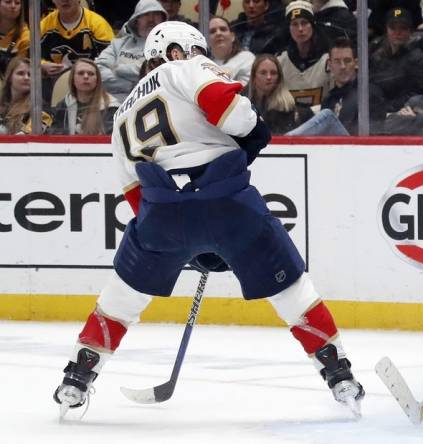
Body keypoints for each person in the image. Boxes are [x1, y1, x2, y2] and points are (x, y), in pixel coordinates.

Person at [52, 21, 364, 418]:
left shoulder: (123, 113)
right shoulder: (183, 68)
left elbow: (135, 195)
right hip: (227, 203)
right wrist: (251, 133)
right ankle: (338, 374)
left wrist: (184, 240)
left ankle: (77, 378)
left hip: (161, 215)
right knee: (292, 290)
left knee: (122, 296)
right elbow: (232, 110)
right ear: (179, 51)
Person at [288, 37, 385, 135]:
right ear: (330, 65)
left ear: (356, 63)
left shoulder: (369, 93)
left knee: (327, 115)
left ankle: (286, 142)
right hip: (332, 148)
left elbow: (375, 133)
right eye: (337, 61)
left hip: (357, 148)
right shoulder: (329, 99)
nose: (342, 66)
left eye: (347, 61)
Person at [96, 0, 167, 102]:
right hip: (113, 104)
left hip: (151, 103)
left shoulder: (168, 47)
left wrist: (120, 69)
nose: (151, 19)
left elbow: (158, 76)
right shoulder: (118, 44)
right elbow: (98, 71)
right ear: (136, 20)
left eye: (156, 14)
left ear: (162, 20)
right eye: (146, 14)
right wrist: (129, 85)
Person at [369, 7, 423, 113]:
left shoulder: (419, 58)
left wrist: (386, 109)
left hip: (404, 112)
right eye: (393, 28)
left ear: (410, 31)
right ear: (386, 30)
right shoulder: (376, 55)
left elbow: (416, 94)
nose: (398, 32)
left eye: (403, 28)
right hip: (376, 111)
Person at [277, 0, 331, 107]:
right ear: (288, 28)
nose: (300, 29)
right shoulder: (280, 62)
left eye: (304, 23)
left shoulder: (328, 60)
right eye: (294, 24)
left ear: (312, 25)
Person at [245, 54, 314, 134]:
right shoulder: (243, 103)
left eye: (273, 73)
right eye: (263, 73)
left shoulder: (288, 108)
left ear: (279, 78)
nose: (269, 77)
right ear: (254, 78)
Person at [51, 58, 119, 135]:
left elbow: (111, 140)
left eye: (91, 74)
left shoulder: (111, 107)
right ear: (73, 79)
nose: (86, 76)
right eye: (81, 73)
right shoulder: (64, 104)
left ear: (97, 80)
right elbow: (56, 136)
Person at [0, 57, 53, 134]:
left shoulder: (40, 109)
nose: (26, 78)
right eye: (20, 73)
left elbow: (27, 137)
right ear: (9, 78)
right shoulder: (2, 105)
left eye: (30, 75)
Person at [208, 16, 255, 85]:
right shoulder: (204, 63)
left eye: (223, 29)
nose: (218, 33)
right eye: (212, 31)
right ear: (206, 40)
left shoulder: (246, 57)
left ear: (232, 36)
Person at [0, 0, 30, 77]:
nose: (13, 6)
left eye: (17, 3)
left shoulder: (25, 36)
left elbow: (21, 69)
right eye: (8, 2)